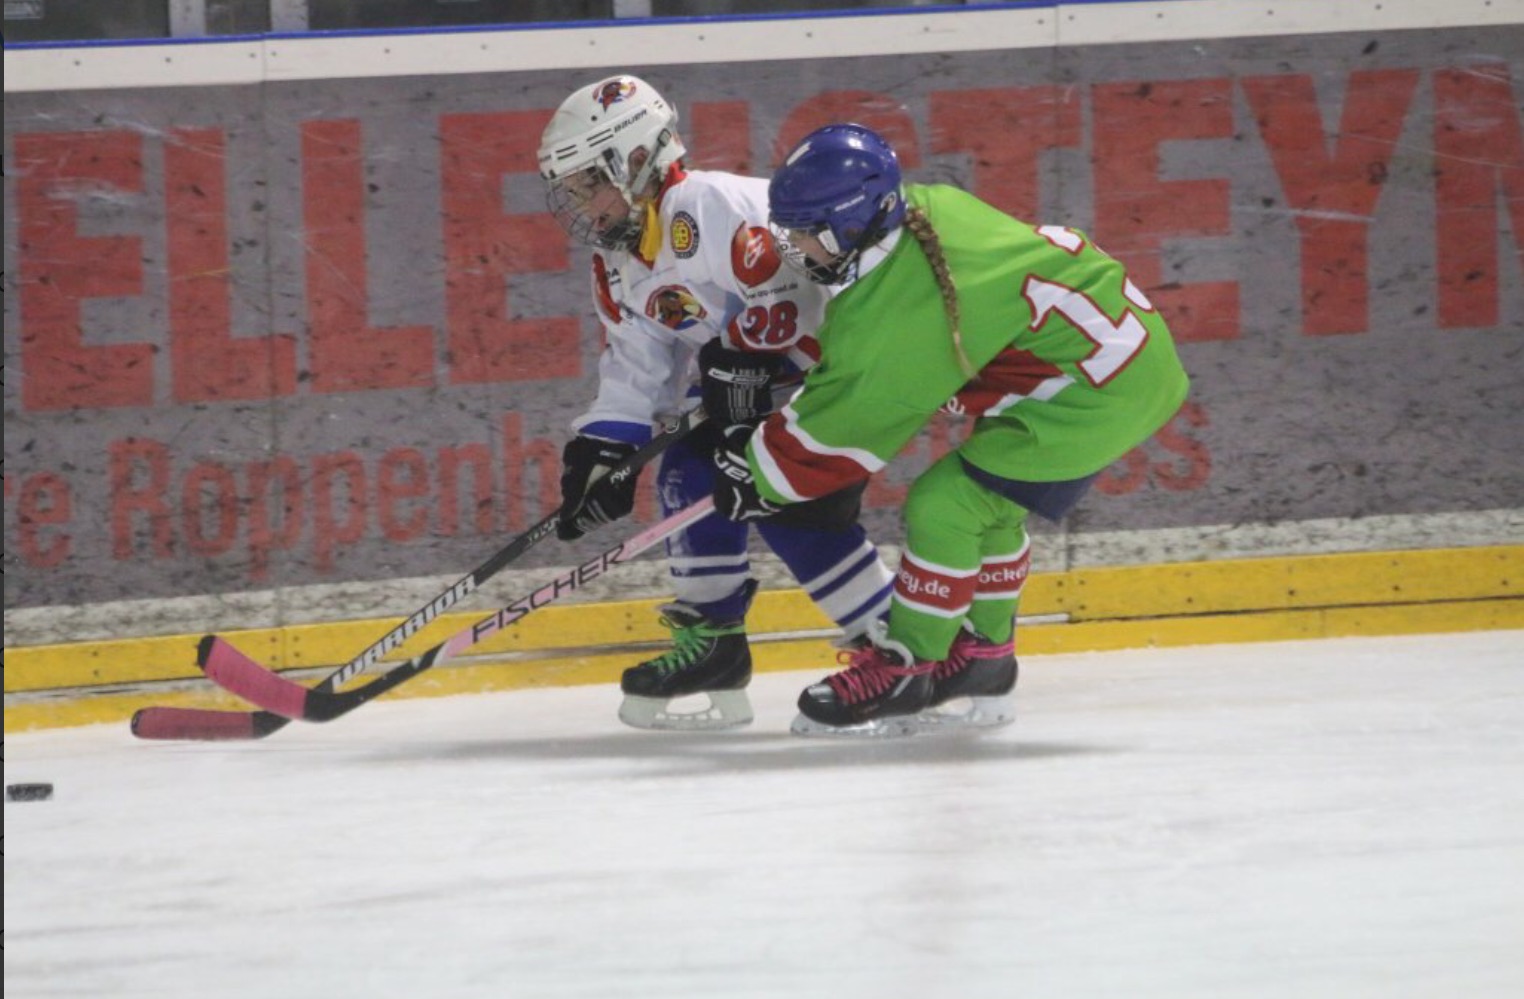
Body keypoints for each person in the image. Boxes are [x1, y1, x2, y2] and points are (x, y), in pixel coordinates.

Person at [710, 123, 1191, 737]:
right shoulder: (921, 213)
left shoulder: (912, 309)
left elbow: (849, 421)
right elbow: (864, 345)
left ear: (855, 223)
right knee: (992, 508)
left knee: (946, 505)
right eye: (791, 229)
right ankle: (985, 659)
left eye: (810, 232)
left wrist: (756, 473)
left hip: (1094, 394)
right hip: (1113, 367)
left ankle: (907, 666)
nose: (797, 247)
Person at [537, 77, 894, 731]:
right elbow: (636, 359)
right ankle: (715, 643)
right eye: (576, 190)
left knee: (783, 500)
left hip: (840, 374)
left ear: (635, 159)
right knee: (689, 471)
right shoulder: (618, 260)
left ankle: (899, 647)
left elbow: (798, 304)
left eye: (590, 183)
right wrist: (604, 448)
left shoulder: (715, 207)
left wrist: (744, 371)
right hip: (765, 389)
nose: (584, 204)